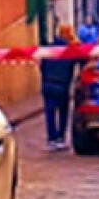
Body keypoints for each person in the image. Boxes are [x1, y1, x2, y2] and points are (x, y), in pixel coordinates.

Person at [39, 23, 81, 151]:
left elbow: (42, 66)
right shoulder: (71, 50)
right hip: (62, 85)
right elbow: (82, 61)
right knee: (63, 112)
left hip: (48, 84)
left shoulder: (48, 48)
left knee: (50, 113)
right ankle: (61, 138)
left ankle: (52, 139)